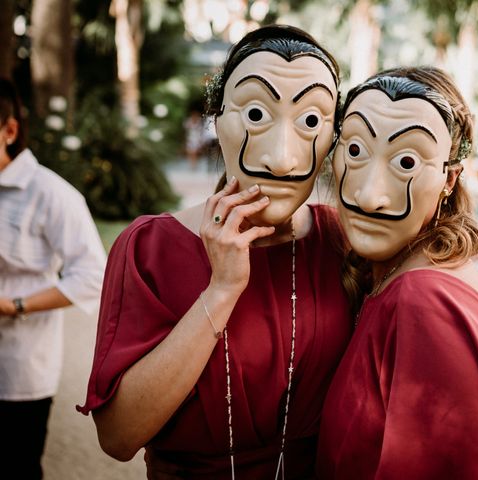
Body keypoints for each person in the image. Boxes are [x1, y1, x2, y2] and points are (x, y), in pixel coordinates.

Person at [78, 25, 351, 479]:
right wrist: (222, 289)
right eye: (257, 113)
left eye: (310, 121)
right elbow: (118, 437)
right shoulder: (150, 248)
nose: (282, 159)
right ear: (217, 119)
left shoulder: (340, 242)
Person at [316, 67, 478, 479]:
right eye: (356, 151)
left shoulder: (426, 303)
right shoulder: (395, 273)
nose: (369, 196)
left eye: (407, 161)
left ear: (450, 178)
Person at [0, 78, 106, 480]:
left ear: (10, 131)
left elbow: (92, 275)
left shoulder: (51, 194)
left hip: (19, 368)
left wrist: (14, 306)